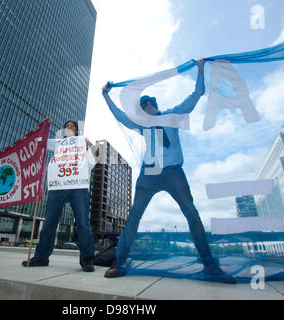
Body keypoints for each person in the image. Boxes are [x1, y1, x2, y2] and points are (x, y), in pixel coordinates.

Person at [101, 60, 236, 284]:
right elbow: (119, 115)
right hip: (149, 175)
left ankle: (210, 266)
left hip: (174, 173)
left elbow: (197, 93)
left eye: (147, 105)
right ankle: (120, 262)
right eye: (141, 108)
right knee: (134, 217)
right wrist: (106, 95)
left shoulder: (173, 115)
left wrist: (200, 68)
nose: (145, 109)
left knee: (191, 214)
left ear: (155, 104)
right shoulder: (141, 125)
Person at [22, 120, 95, 272]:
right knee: (50, 221)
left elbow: (94, 159)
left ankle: (87, 260)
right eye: (66, 127)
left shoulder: (82, 142)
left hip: (78, 186)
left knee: (83, 223)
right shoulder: (57, 143)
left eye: (72, 126)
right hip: (58, 186)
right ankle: (41, 257)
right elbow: (39, 142)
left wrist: (88, 146)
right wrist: (41, 128)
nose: (69, 128)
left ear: (77, 131)